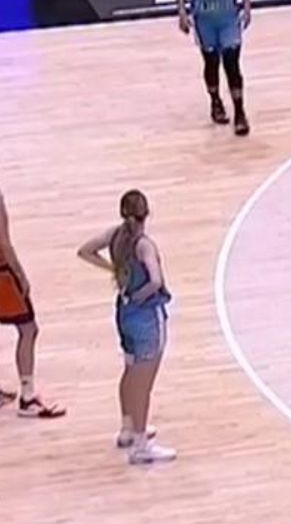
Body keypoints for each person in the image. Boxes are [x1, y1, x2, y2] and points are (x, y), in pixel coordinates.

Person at [76, 190, 176, 464]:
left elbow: (84, 250)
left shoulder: (116, 236)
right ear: (147, 214)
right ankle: (142, 445)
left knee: (130, 371)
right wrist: (139, 297)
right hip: (145, 317)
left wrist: (112, 271)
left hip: (122, 313)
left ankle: (127, 428)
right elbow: (155, 281)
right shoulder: (144, 245)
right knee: (143, 382)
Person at [174, 0, 253, 136]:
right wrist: (182, 13)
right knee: (211, 63)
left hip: (228, 18)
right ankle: (216, 101)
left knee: (232, 63)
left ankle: (239, 112)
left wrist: (247, 8)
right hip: (204, 21)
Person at [0, 189, 66, 419]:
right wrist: (20, 274)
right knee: (29, 330)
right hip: (2, 276)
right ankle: (28, 398)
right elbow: (4, 244)